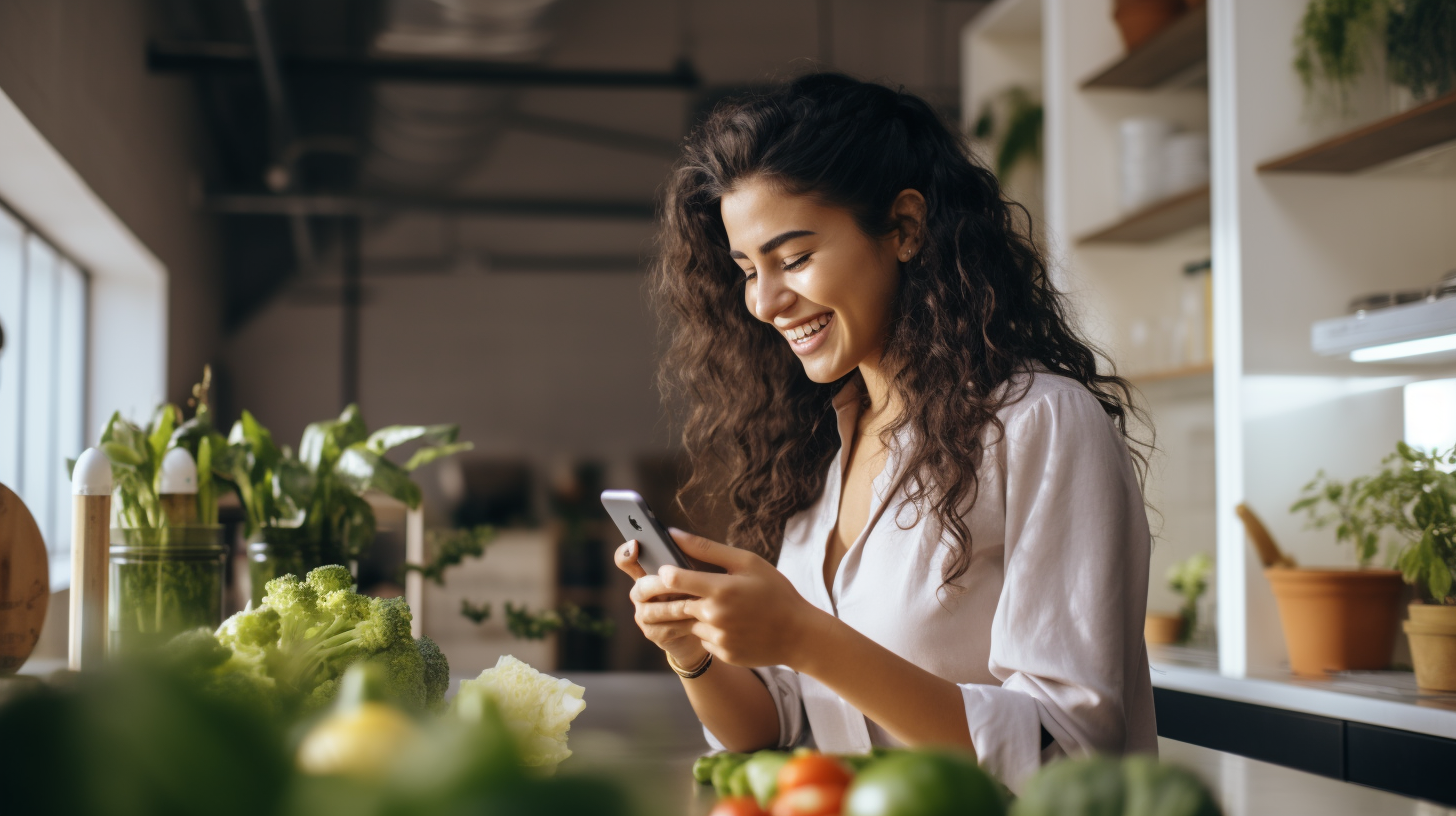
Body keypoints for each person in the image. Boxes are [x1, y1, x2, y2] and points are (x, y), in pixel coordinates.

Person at [615, 73, 1156, 791]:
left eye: (795, 258)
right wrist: (695, 648)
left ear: (904, 228)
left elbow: (1067, 753)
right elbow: (776, 727)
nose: (767, 302)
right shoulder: (819, 448)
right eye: (748, 270)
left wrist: (804, 636)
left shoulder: (1039, 424)